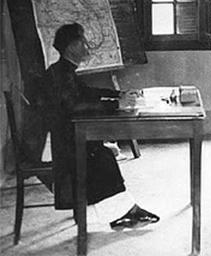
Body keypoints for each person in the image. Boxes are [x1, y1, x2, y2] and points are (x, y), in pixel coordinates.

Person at [42, 23, 159, 229]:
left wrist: (118, 95)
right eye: (82, 42)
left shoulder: (64, 70)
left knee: (104, 154)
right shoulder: (61, 73)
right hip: (63, 144)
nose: (87, 46)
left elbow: (86, 92)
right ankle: (122, 213)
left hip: (67, 135)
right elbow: (73, 106)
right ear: (71, 47)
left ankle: (124, 211)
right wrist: (116, 104)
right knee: (103, 156)